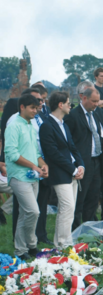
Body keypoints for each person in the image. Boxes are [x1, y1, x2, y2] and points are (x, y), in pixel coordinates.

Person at [65, 86, 103, 229]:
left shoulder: (98, 112)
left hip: (98, 160)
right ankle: (75, 229)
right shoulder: (73, 116)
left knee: (94, 196)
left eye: (97, 101)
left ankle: (89, 227)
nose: (96, 104)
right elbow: (70, 141)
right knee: (80, 197)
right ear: (84, 98)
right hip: (82, 161)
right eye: (93, 101)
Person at [5, 94, 49, 259]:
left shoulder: (30, 125)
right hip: (19, 175)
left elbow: (35, 152)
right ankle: (31, 244)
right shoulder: (13, 125)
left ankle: (22, 250)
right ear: (22, 107)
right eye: (32, 108)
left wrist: (43, 165)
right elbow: (11, 153)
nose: (35, 111)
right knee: (33, 211)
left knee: (26, 213)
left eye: (37, 108)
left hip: (33, 175)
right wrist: (33, 166)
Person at [39, 91, 84, 248]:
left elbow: (72, 147)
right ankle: (63, 244)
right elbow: (52, 154)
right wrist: (73, 169)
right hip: (59, 173)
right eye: (68, 103)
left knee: (69, 209)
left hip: (72, 171)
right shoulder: (46, 125)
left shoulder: (64, 124)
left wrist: (80, 165)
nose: (70, 106)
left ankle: (63, 242)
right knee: (67, 207)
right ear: (60, 105)